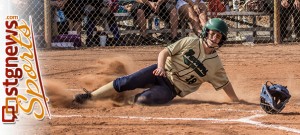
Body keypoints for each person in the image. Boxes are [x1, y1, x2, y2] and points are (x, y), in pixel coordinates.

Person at [73, 18, 239, 106]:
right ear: (205, 32)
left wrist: (236, 100)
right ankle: (90, 96)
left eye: (219, 36)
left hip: (171, 89)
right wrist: (160, 67)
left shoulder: (215, 64)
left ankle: (120, 100)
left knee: (144, 101)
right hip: (159, 72)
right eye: (212, 33)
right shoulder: (190, 42)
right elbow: (165, 51)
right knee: (128, 81)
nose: (215, 37)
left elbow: (225, 83)